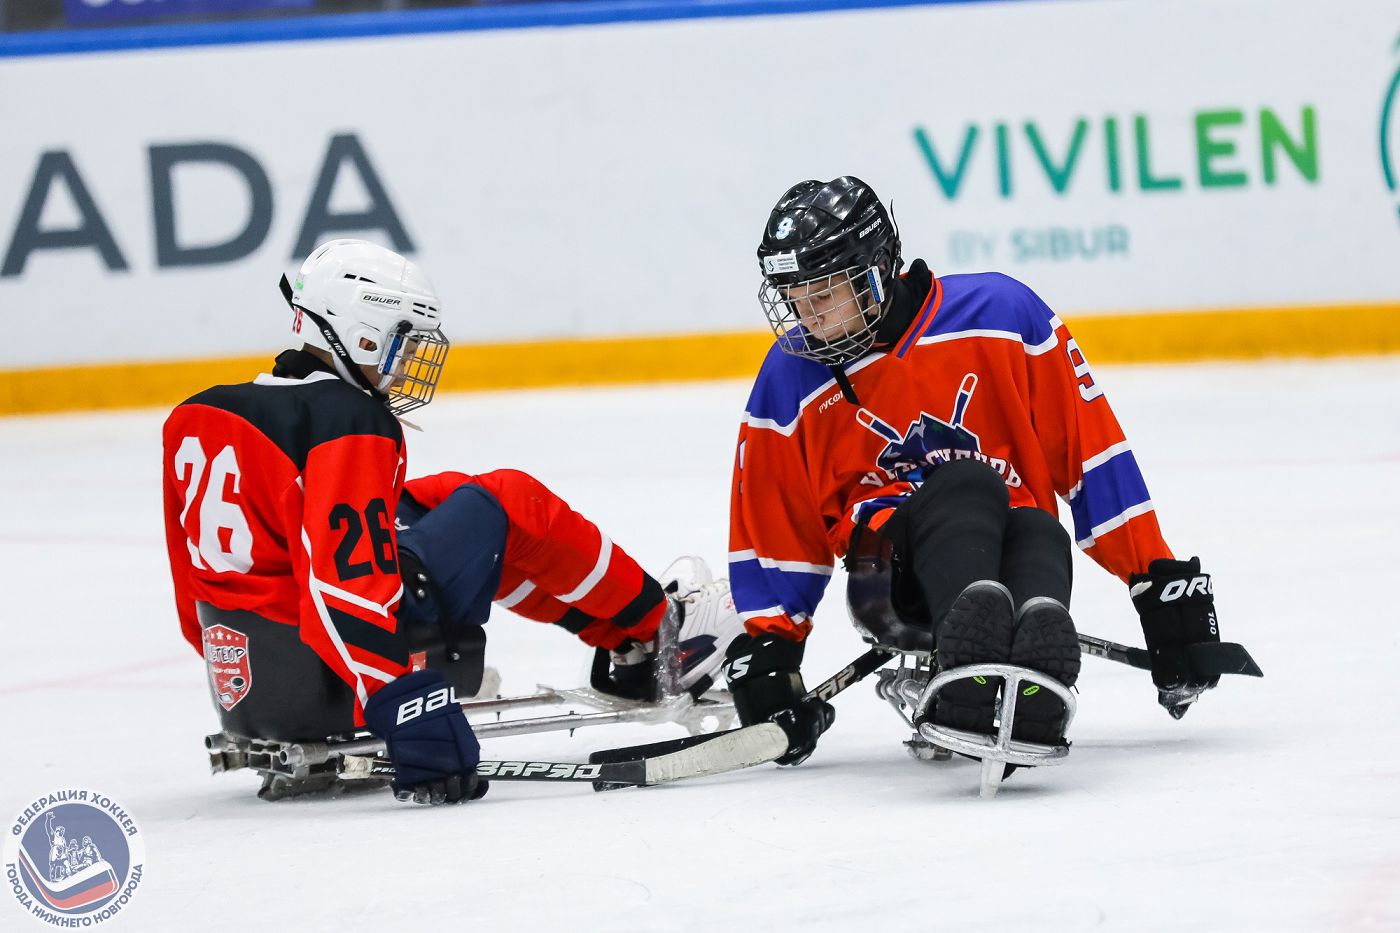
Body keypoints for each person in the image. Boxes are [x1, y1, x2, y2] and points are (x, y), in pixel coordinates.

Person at [162, 238, 740, 805]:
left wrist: (240, 676)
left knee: (439, 498)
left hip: (251, 684)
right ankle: (665, 630)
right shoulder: (347, 417)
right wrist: (403, 700)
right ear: (361, 331)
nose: (409, 362)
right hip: (335, 682)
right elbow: (343, 585)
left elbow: (189, 583)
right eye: (402, 342)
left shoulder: (198, 414)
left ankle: (626, 641)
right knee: (506, 499)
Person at [721, 177, 1225, 765]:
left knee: (1038, 528)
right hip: (889, 572)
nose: (808, 316)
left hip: (1009, 544)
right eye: (796, 297)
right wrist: (772, 649)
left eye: (824, 293)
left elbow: (1089, 450)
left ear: (876, 271)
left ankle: (1033, 689)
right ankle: (970, 672)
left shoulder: (1004, 315)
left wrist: (1157, 581)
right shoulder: (791, 371)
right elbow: (773, 511)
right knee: (969, 484)